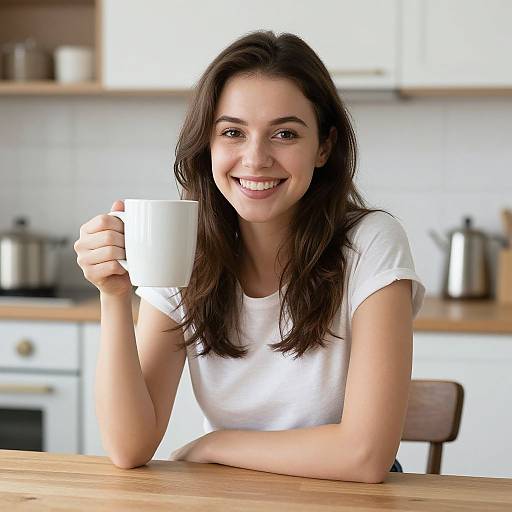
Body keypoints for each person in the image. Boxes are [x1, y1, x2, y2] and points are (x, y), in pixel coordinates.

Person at [74, 30, 425, 483]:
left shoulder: (371, 241)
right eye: (233, 132)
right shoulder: (185, 246)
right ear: (208, 144)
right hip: (233, 490)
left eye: (284, 133)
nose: (255, 158)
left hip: (345, 494)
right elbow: (128, 445)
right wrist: (114, 295)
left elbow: (364, 455)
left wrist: (215, 443)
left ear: (324, 146)